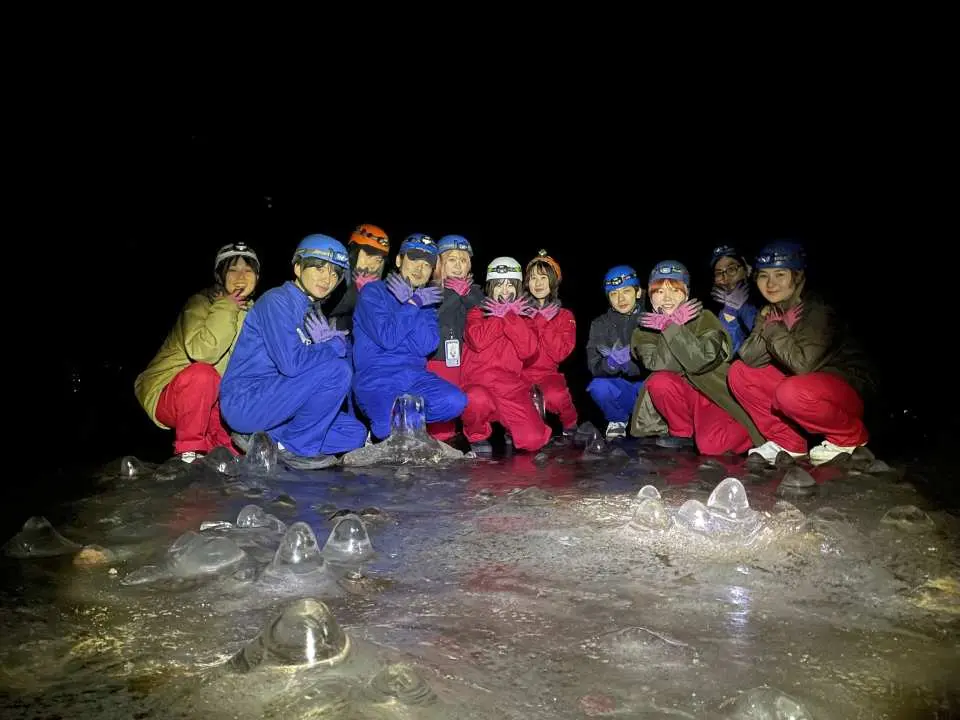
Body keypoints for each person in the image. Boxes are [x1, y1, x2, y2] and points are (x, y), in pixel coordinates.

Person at [219, 234, 367, 470]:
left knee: (354, 433)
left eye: (335, 273)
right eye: (319, 268)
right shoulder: (276, 301)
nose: (327, 278)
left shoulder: (310, 309)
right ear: (298, 267)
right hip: (246, 401)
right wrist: (329, 347)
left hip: (282, 402)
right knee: (337, 370)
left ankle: (268, 439)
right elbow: (292, 364)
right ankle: (295, 448)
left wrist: (333, 348)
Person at [728, 240, 874, 465]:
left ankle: (850, 437)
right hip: (806, 385)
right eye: (763, 275)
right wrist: (767, 326)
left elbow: (802, 365)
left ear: (797, 276)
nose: (770, 284)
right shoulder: (773, 309)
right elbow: (749, 357)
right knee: (739, 373)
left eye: (780, 274)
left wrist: (776, 329)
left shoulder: (817, 307)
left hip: (847, 388)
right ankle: (788, 441)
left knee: (791, 392)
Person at [134, 242, 260, 463]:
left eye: (248, 270)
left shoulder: (256, 312)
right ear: (220, 275)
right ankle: (189, 453)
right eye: (232, 269)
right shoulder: (200, 303)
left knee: (230, 456)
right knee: (203, 374)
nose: (241, 276)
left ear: (257, 277)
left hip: (216, 397)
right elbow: (203, 352)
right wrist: (226, 307)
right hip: (172, 391)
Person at [629, 260, 764, 455]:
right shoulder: (644, 330)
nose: (666, 298)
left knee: (712, 446)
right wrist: (670, 326)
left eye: (675, 290)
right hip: (684, 396)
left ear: (687, 293)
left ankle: (755, 430)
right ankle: (682, 433)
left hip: (713, 393)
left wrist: (672, 329)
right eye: (659, 292)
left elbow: (700, 361)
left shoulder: (705, 318)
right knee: (658, 381)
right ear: (650, 296)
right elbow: (659, 364)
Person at [352, 233, 468, 440]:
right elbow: (388, 337)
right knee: (385, 429)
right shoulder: (373, 292)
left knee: (455, 401)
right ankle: (386, 430)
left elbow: (426, 345)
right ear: (399, 260)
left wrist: (415, 304)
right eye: (413, 259)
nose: (419, 268)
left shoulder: (426, 302)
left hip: (414, 377)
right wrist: (412, 305)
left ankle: (408, 423)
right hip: (377, 377)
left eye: (427, 264)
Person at [460, 257, 551, 455]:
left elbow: (528, 350)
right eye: (499, 284)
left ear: (518, 288)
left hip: (510, 389)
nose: (505, 290)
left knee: (534, 440)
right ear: (490, 287)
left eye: (510, 284)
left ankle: (514, 428)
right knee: (475, 399)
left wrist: (510, 317)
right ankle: (478, 435)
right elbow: (477, 340)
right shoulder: (476, 313)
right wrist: (498, 317)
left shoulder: (525, 319)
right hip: (478, 386)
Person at [425, 234, 485, 441]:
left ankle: (476, 436)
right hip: (437, 360)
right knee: (442, 421)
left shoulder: (474, 292)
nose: (458, 266)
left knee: (473, 400)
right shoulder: (428, 290)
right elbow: (433, 317)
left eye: (463, 260)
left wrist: (466, 294)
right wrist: (452, 295)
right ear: (439, 263)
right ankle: (439, 442)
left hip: (465, 362)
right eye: (452, 259)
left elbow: (485, 309)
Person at [521, 250, 578, 442]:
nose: (538, 284)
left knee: (556, 395)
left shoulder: (565, 316)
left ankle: (571, 425)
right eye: (533, 278)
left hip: (548, 374)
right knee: (516, 398)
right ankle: (514, 428)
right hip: (520, 374)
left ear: (554, 280)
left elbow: (560, 353)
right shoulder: (518, 312)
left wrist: (544, 321)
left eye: (543, 277)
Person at [586, 265, 647, 440]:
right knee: (598, 386)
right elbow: (593, 365)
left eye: (626, 291)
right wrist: (610, 363)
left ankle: (655, 421)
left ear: (637, 292)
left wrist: (632, 364)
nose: (620, 298)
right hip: (621, 390)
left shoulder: (651, 319)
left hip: (646, 390)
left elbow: (660, 363)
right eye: (614, 294)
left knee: (660, 383)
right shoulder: (599, 324)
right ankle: (617, 420)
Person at [328, 223, 390, 333]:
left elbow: (382, 326)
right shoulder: (335, 278)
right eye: (368, 255)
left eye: (378, 260)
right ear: (353, 253)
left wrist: (368, 296)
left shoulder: (383, 287)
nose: (372, 265)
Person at [708, 244, 758, 354]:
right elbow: (725, 351)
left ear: (747, 269)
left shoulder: (763, 299)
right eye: (719, 273)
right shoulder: (710, 308)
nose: (726, 278)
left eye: (731, 269)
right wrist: (730, 310)